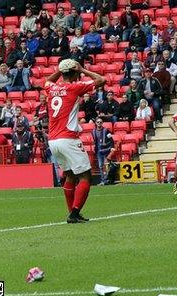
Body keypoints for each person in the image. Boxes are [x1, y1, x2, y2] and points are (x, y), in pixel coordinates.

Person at [45, 59, 107, 223]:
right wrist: (84, 70)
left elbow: (48, 81)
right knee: (86, 176)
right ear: (74, 73)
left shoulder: (51, 88)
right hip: (68, 138)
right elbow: (102, 80)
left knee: (70, 176)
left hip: (53, 140)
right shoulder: (74, 87)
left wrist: (60, 69)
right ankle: (74, 212)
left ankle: (72, 212)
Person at [91, 117, 115, 185]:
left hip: (106, 149)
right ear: (95, 123)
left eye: (100, 122)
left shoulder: (106, 130)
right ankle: (103, 180)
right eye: (98, 122)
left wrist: (112, 147)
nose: (99, 123)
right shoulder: (93, 131)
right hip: (98, 151)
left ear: (102, 123)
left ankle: (107, 179)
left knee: (106, 165)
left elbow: (111, 139)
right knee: (100, 166)